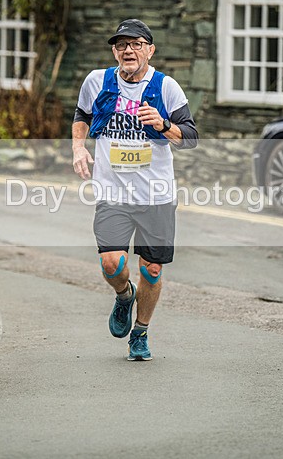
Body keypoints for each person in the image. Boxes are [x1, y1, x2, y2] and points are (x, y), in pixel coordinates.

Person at [72, 19, 198, 361]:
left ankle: (140, 333)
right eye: (122, 45)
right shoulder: (97, 81)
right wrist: (79, 148)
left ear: (150, 50)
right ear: (115, 51)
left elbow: (191, 138)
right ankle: (124, 296)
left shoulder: (166, 87)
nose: (129, 50)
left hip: (156, 195)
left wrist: (163, 124)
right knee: (112, 264)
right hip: (113, 193)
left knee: (151, 270)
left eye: (137, 44)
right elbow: (82, 114)